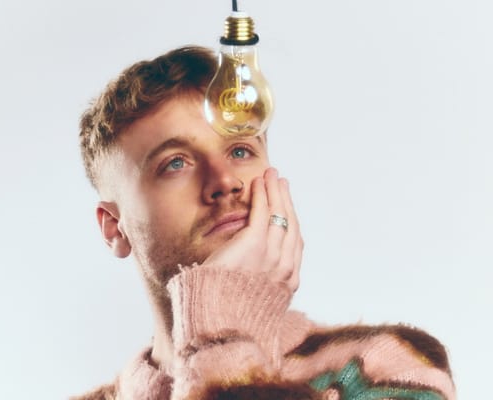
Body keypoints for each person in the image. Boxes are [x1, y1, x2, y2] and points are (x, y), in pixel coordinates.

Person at [74, 46, 455, 400]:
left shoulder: (390, 366)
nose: (225, 181)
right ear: (113, 226)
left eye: (240, 150)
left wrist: (217, 323)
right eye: (175, 163)